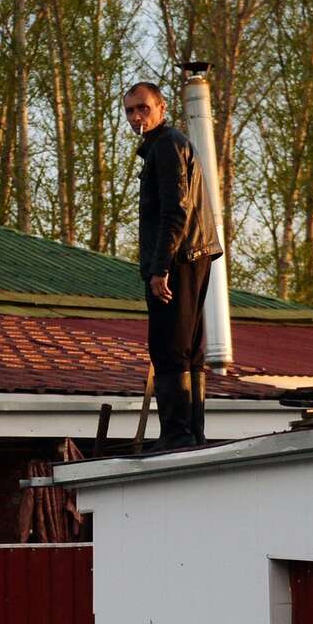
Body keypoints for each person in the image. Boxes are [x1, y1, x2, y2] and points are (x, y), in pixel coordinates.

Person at [123, 81, 222, 449]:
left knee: (168, 347)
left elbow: (174, 210)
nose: (136, 117)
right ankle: (191, 433)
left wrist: (159, 268)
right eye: (130, 110)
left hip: (178, 258)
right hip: (194, 254)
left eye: (143, 108)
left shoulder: (166, 146)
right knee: (188, 348)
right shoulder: (168, 145)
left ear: (161, 108)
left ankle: (177, 435)